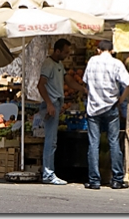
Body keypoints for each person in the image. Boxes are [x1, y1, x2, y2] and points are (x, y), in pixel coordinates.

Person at [83, 39, 129, 190]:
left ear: (98, 50)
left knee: (93, 143)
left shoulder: (92, 61)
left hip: (93, 108)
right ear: (112, 51)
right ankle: (117, 179)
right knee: (113, 142)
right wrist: (121, 99)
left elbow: (85, 81)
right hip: (111, 107)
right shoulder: (117, 63)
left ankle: (94, 180)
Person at [37, 38, 87, 185]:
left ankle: (49, 172)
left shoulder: (58, 64)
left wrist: (82, 89)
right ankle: (48, 174)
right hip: (51, 104)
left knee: (53, 141)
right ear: (57, 51)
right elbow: (40, 85)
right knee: (50, 141)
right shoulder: (48, 64)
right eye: (65, 52)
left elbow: (68, 80)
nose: (67, 55)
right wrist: (49, 104)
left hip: (56, 104)